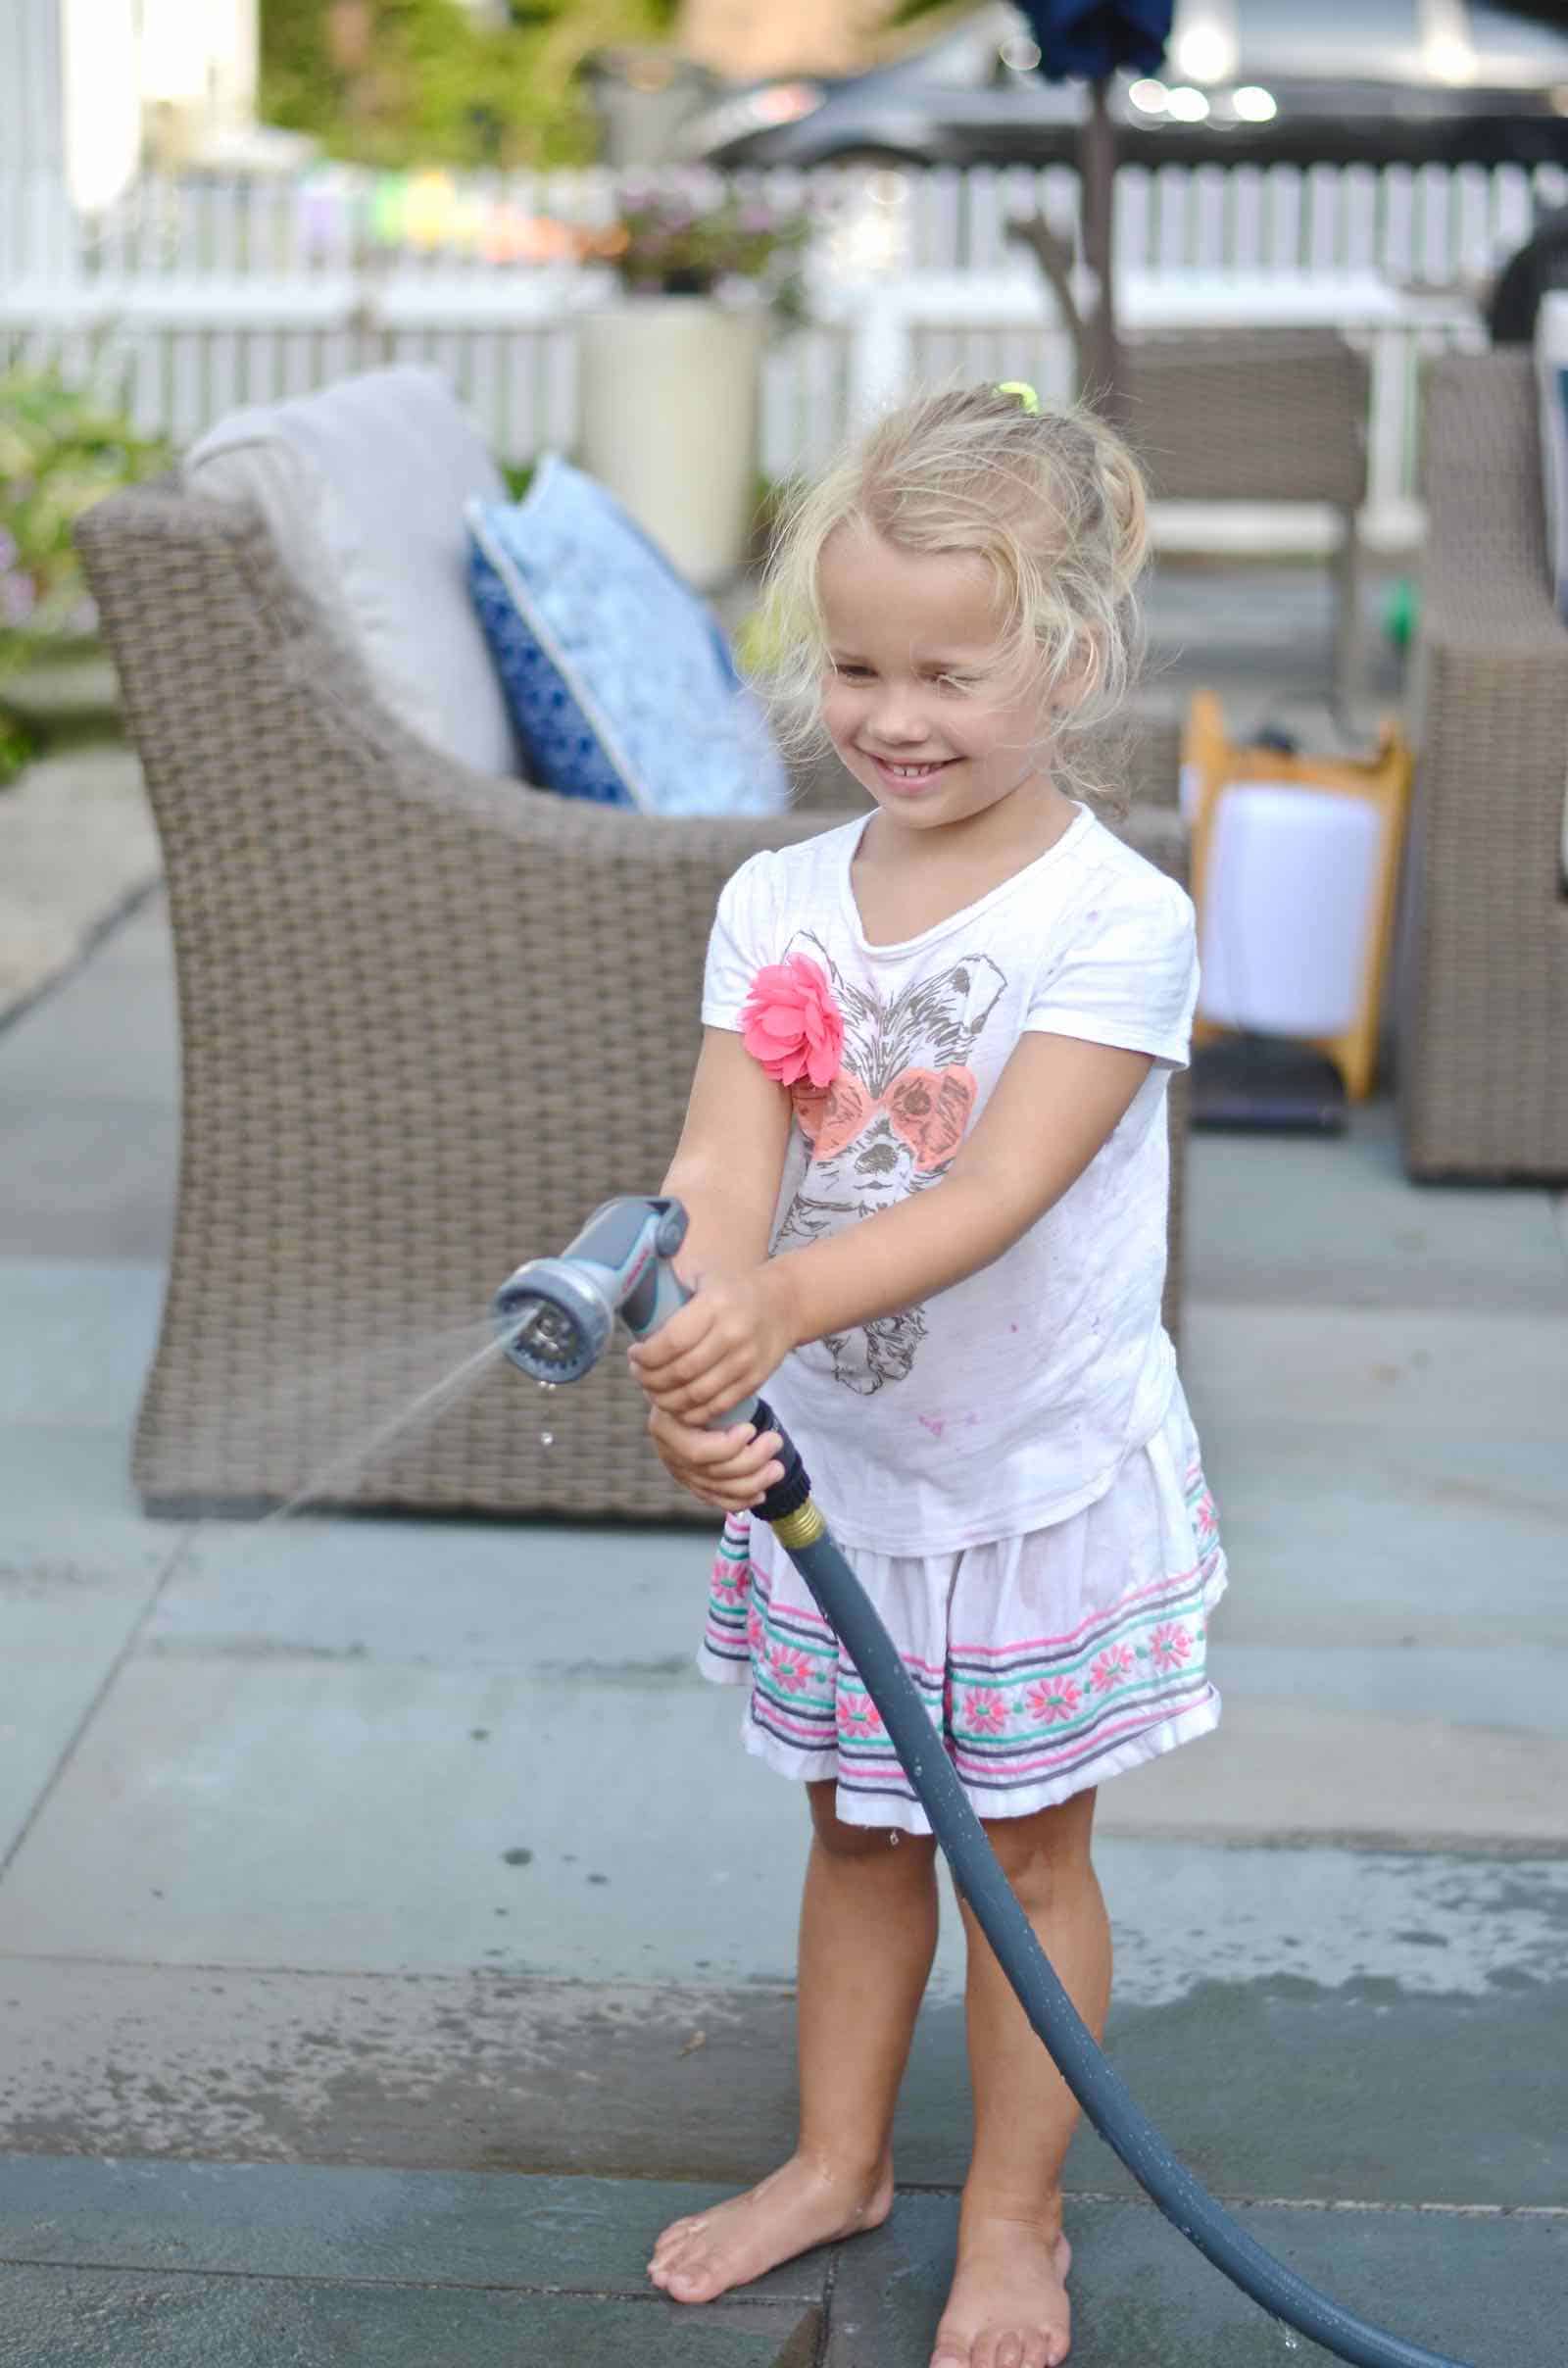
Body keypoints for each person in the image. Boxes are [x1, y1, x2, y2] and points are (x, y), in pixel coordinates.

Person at [628, 380, 1227, 2368]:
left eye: (945, 672)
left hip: (1030, 1473)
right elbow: (726, 1161)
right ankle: (833, 2157)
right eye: (854, 665)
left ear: (1065, 654)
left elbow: (991, 1189)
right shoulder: (776, 901)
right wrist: (701, 1313)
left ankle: (1013, 2208)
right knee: (855, 1826)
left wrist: (783, 1308)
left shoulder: (1112, 921)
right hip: (846, 1475)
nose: (890, 714)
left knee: (1023, 1851)